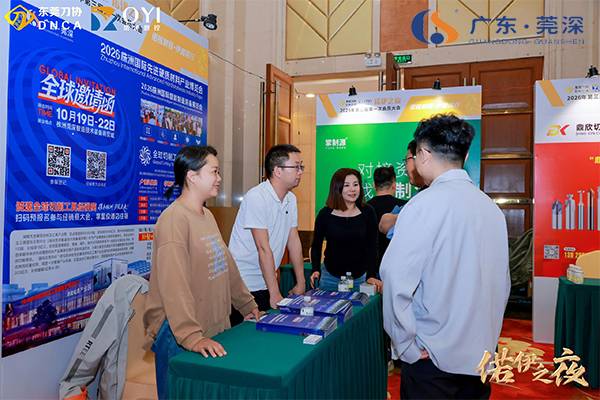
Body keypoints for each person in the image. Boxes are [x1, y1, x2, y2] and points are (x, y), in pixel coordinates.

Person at [380, 114, 510, 399]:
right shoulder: (490, 209)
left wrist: (405, 346)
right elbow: (502, 286)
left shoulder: (422, 205)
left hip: (432, 358)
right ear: (464, 155)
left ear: (424, 154)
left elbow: (395, 279)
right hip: (480, 354)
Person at [143, 145, 260, 399]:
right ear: (192, 176)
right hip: (179, 334)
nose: (219, 178)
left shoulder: (206, 215)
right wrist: (191, 337)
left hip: (210, 327)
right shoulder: (174, 220)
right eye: (214, 171)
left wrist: (246, 304)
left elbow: (226, 265)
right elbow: (174, 285)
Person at [228, 144, 306, 322]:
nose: (300, 172)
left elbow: (294, 241)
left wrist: (301, 282)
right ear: (278, 171)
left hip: (266, 280)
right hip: (244, 284)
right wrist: (275, 292)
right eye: (296, 167)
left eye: (301, 166)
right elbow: (263, 248)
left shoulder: (291, 199)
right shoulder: (257, 197)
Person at [310, 168, 382, 293]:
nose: (352, 189)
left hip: (360, 279)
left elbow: (372, 246)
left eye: (355, 184)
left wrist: (371, 274)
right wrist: (316, 269)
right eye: (346, 185)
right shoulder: (325, 214)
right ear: (337, 188)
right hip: (330, 278)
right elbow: (316, 245)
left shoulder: (368, 212)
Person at [378, 140, 426, 236]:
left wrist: (398, 218)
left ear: (420, 157)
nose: (405, 168)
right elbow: (384, 224)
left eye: (406, 160)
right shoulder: (417, 196)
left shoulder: (430, 196)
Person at [367, 166, 407, 273]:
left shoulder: (364, 208)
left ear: (374, 185)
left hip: (369, 269)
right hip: (397, 267)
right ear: (394, 185)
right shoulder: (406, 207)